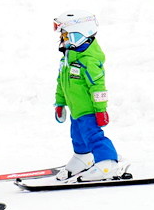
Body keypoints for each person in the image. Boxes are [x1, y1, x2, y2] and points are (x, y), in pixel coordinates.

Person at [51, 10, 120, 182]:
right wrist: (60, 103)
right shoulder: (68, 59)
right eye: (63, 36)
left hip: (88, 110)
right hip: (76, 110)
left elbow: (98, 88)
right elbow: (61, 83)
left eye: (67, 36)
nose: (63, 40)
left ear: (81, 35)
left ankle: (108, 163)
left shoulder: (88, 61)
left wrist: (100, 110)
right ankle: (83, 157)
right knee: (77, 135)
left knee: (93, 135)